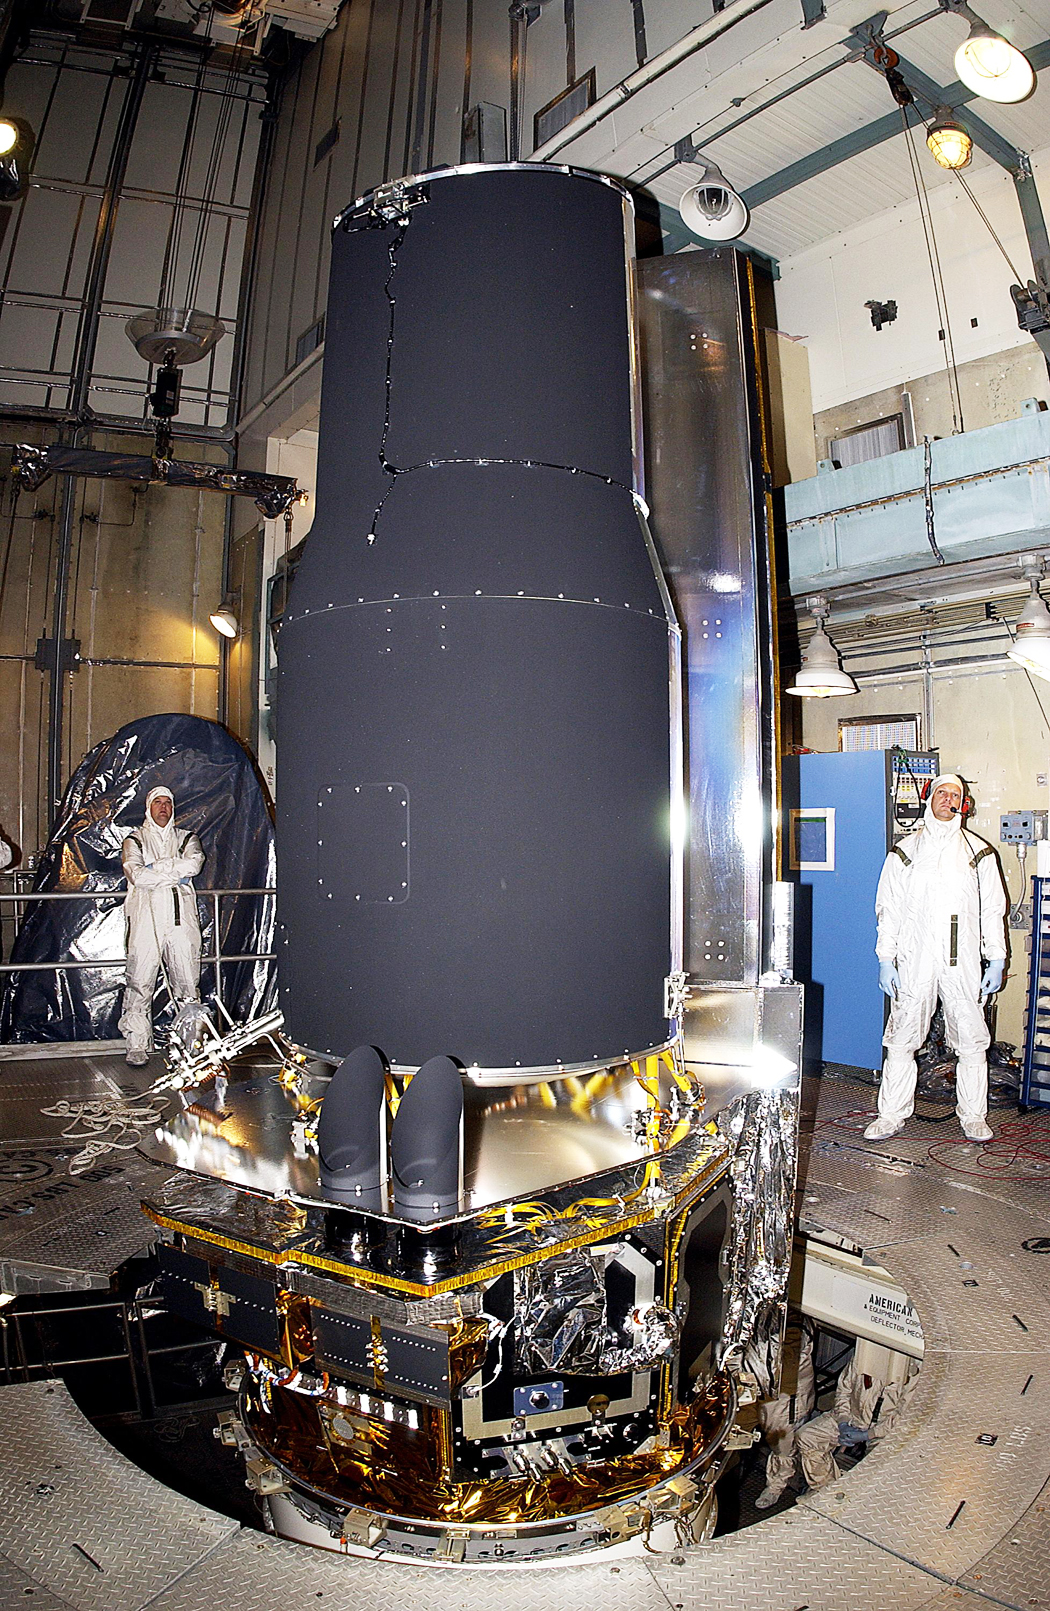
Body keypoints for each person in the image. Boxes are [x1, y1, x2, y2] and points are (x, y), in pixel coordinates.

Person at [865, 773, 1006, 1144]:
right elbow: (888, 909)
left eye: (955, 794)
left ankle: (974, 1117)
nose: (948, 799)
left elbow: (993, 910)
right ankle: (891, 1115)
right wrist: (886, 957)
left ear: (965, 804)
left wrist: (996, 959)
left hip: (962, 961)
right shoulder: (905, 852)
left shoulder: (979, 853)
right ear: (929, 798)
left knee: (972, 1041)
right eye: (942, 793)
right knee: (901, 1040)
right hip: (915, 959)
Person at [119, 786, 204, 1067]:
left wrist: (156, 868)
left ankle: (191, 1045)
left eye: (168, 802)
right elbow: (137, 875)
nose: (163, 807)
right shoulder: (135, 840)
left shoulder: (187, 838)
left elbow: (193, 865)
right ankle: (137, 1044)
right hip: (145, 919)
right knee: (140, 980)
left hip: (181, 920)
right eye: (158, 802)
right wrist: (171, 870)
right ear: (148, 807)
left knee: (187, 982)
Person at [794, 1346, 919, 1491]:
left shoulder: (911, 1370)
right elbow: (844, 1390)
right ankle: (826, 1489)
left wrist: (869, 1434)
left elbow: (903, 1415)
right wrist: (843, 1421)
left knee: (880, 1468)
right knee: (807, 1437)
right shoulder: (865, 1355)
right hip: (853, 1417)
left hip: (886, 1430)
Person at [754, 1314, 816, 1509]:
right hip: (770, 1395)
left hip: (789, 1397)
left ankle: (776, 1486)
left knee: (784, 1446)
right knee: (776, 1439)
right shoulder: (765, 1318)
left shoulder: (796, 1326)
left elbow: (785, 1359)